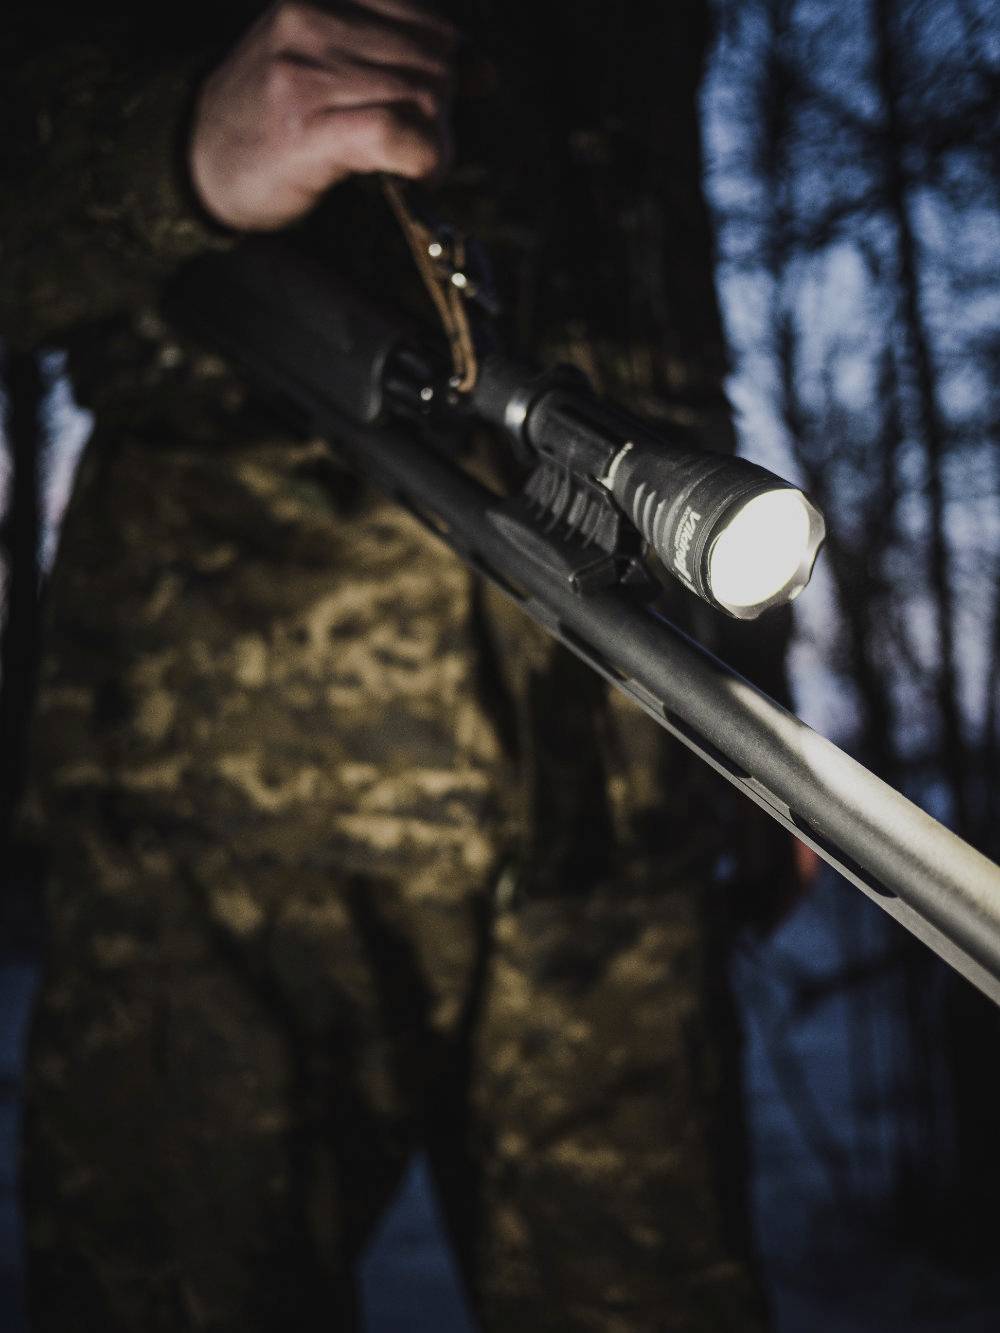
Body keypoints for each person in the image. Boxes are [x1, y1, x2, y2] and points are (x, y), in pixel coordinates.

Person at [2, 2, 768, 1328]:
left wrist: (757, 706)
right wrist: (172, 147)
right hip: (227, 796)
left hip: (618, 789)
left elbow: (669, 310)